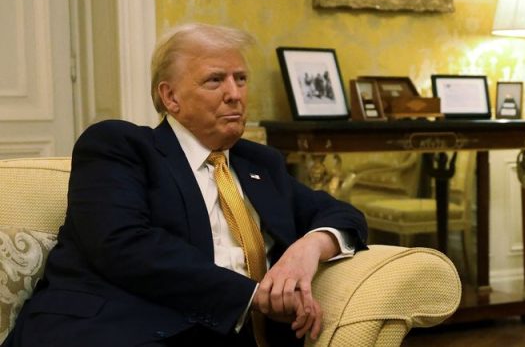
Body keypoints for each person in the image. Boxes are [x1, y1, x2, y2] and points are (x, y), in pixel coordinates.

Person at [3, 23, 368, 347]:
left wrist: (309, 248)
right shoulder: (121, 147)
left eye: (241, 79)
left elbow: (342, 214)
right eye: (215, 80)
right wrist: (255, 296)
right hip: (117, 329)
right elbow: (123, 245)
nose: (235, 94)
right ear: (170, 97)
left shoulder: (260, 163)